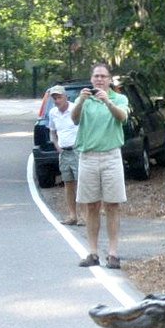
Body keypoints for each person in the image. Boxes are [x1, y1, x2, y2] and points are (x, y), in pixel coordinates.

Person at [71, 63, 130, 269]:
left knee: (112, 205)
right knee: (91, 205)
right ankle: (92, 252)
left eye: (103, 76)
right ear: (91, 78)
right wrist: (80, 101)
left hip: (111, 156)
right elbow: (74, 118)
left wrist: (108, 103)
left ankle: (113, 253)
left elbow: (122, 117)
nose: (99, 80)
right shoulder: (84, 99)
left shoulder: (119, 99)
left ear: (109, 79)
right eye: (96, 76)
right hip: (88, 156)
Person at [47, 85, 84, 226]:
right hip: (64, 152)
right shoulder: (53, 113)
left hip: (77, 150)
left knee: (81, 183)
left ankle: (83, 215)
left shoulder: (75, 108)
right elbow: (52, 132)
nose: (57, 100)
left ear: (66, 97)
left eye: (59, 97)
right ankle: (72, 215)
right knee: (68, 184)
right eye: (54, 98)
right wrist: (57, 147)